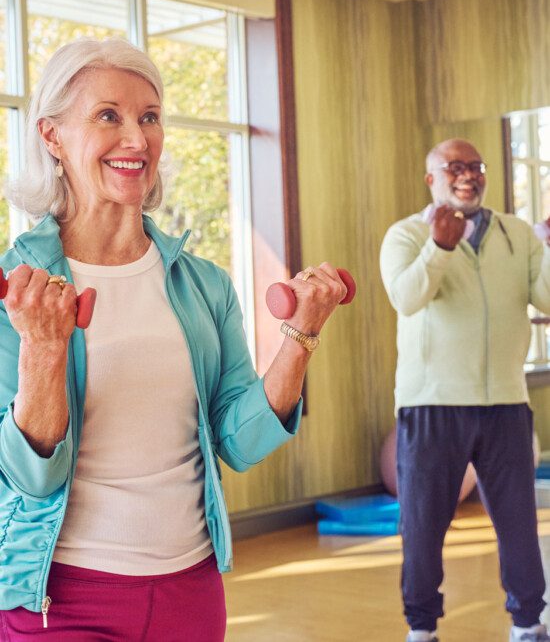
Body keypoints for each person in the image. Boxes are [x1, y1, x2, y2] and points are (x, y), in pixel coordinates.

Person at [0, 38, 346, 641]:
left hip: (191, 588)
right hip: (60, 598)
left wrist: (300, 336)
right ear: (51, 136)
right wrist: (44, 349)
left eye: (149, 117)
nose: (136, 139)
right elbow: (31, 479)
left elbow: (239, 442)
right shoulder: (21, 291)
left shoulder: (202, 284)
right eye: (108, 115)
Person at [380, 138, 550, 642]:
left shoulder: (518, 235)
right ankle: (422, 627)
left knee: (519, 523)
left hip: (505, 404)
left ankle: (527, 622)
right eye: (454, 166)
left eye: (475, 166)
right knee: (424, 528)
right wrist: (441, 247)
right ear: (431, 178)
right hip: (431, 406)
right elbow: (406, 298)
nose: (468, 174)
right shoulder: (406, 234)